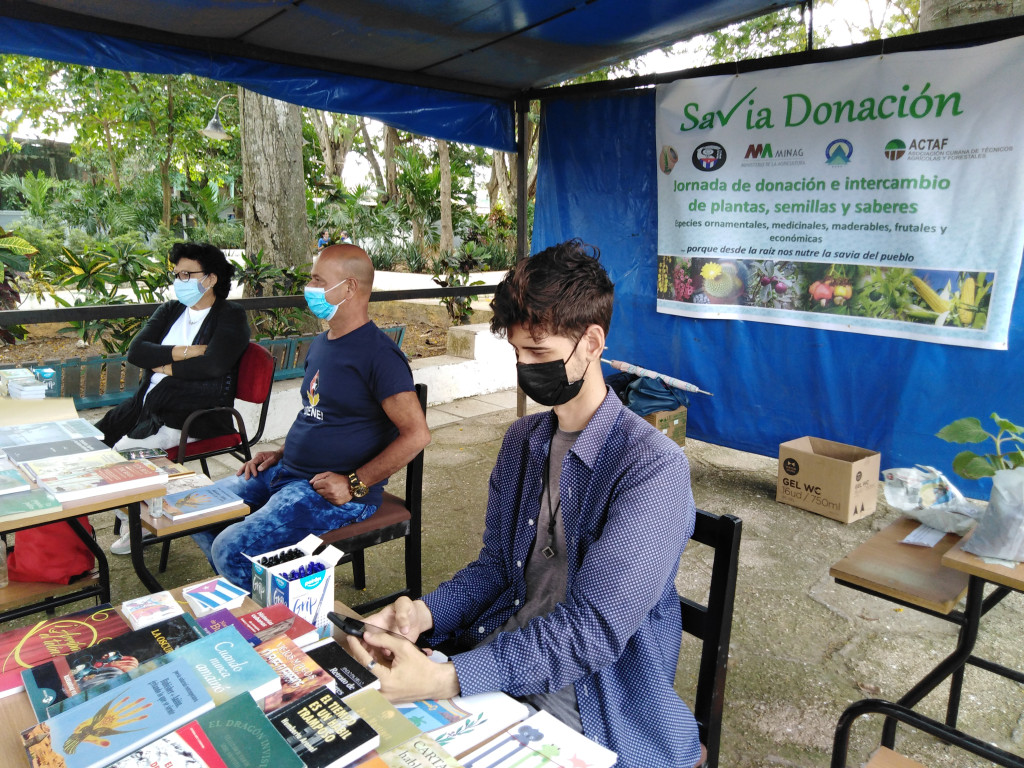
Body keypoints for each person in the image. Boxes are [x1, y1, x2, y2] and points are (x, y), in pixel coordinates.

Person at [344, 239, 704, 768]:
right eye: (517, 353)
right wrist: (423, 613)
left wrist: (446, 678)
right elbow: (496, 568)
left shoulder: (652, 468)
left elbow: (591, 633)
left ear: (592, 342)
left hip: (593, 695)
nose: (526, 368)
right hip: (502, 654)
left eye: (539, 353)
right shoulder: (525, 440)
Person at [192, 244, 431, 588]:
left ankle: (277, 624)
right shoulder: (322, 343)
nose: (311, 288)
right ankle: (264, 592)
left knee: (231, 548)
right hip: (285, 471)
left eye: (319, 280)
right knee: (197, 513)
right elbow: (315, 413)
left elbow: (417, 435)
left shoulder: (379, 355)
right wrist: (279, 453)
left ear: (349, 287)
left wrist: (353, 483)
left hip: (331, 493)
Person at [96, 242, 250, 555]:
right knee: (95, 444)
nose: (179, 281)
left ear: (210, 279)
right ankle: (134, 514)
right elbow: (137, 352)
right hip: (147, 405)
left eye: (187, 274)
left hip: (195, 413)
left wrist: (163, 366)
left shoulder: (230, 315)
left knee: (123, 457)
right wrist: (182, 353)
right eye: (177, 274)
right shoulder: (170, 310)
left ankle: (138, 529)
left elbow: (214, 365)